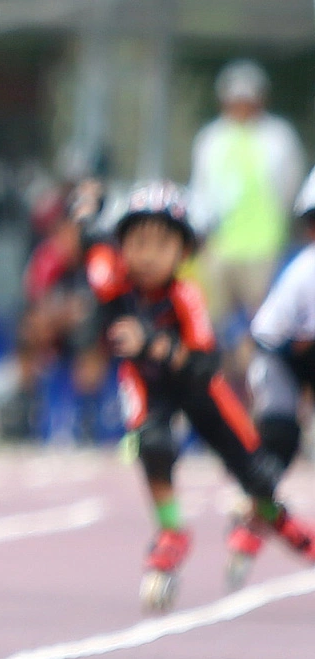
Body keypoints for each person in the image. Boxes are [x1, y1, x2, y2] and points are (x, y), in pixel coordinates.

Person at [86, 181, 315, 611]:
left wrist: (154, 342)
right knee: (152, 444)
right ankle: (171, 530)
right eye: (137, 242)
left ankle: (288, 529)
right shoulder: (116, 284)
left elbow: (203, 363)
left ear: (184, 252)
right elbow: (94, 249)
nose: (147, 254)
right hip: (147, 387)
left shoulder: (186, 296)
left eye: (160, 244)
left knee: (259, 475)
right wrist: (89, 209)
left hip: (199, 391)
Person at [227, 167, 315, 586]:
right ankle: (250, 525)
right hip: (280, 356)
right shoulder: (306, 273)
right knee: (280, 439)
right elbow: (278, 340)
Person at [189, 60, 304, 335]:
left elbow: (290, 185)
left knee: (261, 318)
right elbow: (200, 189)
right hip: (220, 245)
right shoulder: (211, 138)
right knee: (216, 320)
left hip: (263, 246)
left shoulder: (279, 137)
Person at [8, 178, 107, 442]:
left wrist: (78, 314)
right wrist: (58, 317)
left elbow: (105, 304)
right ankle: (25, 411)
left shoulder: (100, 257)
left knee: (91, 338)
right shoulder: (48, 259)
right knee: (29, 332)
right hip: (58, 329)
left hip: (93, 331)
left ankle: (86, 418)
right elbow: (38, 305)